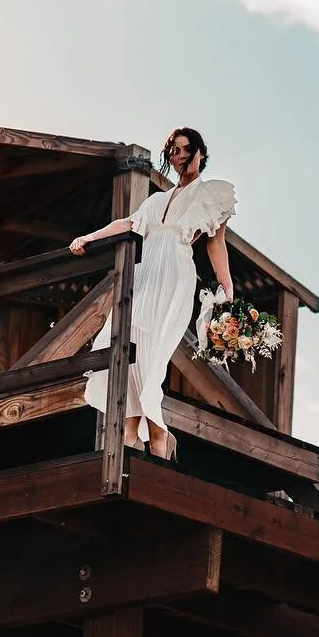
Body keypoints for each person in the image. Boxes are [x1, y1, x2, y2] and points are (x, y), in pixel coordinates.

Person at [69, 128, 236, 460]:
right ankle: (135, 434)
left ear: (200, 153)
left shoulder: (210, 194)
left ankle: (157, 438)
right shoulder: (157, 200)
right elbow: (128, 223)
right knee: (127, 346)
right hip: (146, 276)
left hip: (175, 275)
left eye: (185, 150)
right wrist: (88, 237)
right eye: (174, 150)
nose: (178, 156)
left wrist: (226, 285)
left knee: (153, 356)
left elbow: (216, 244)